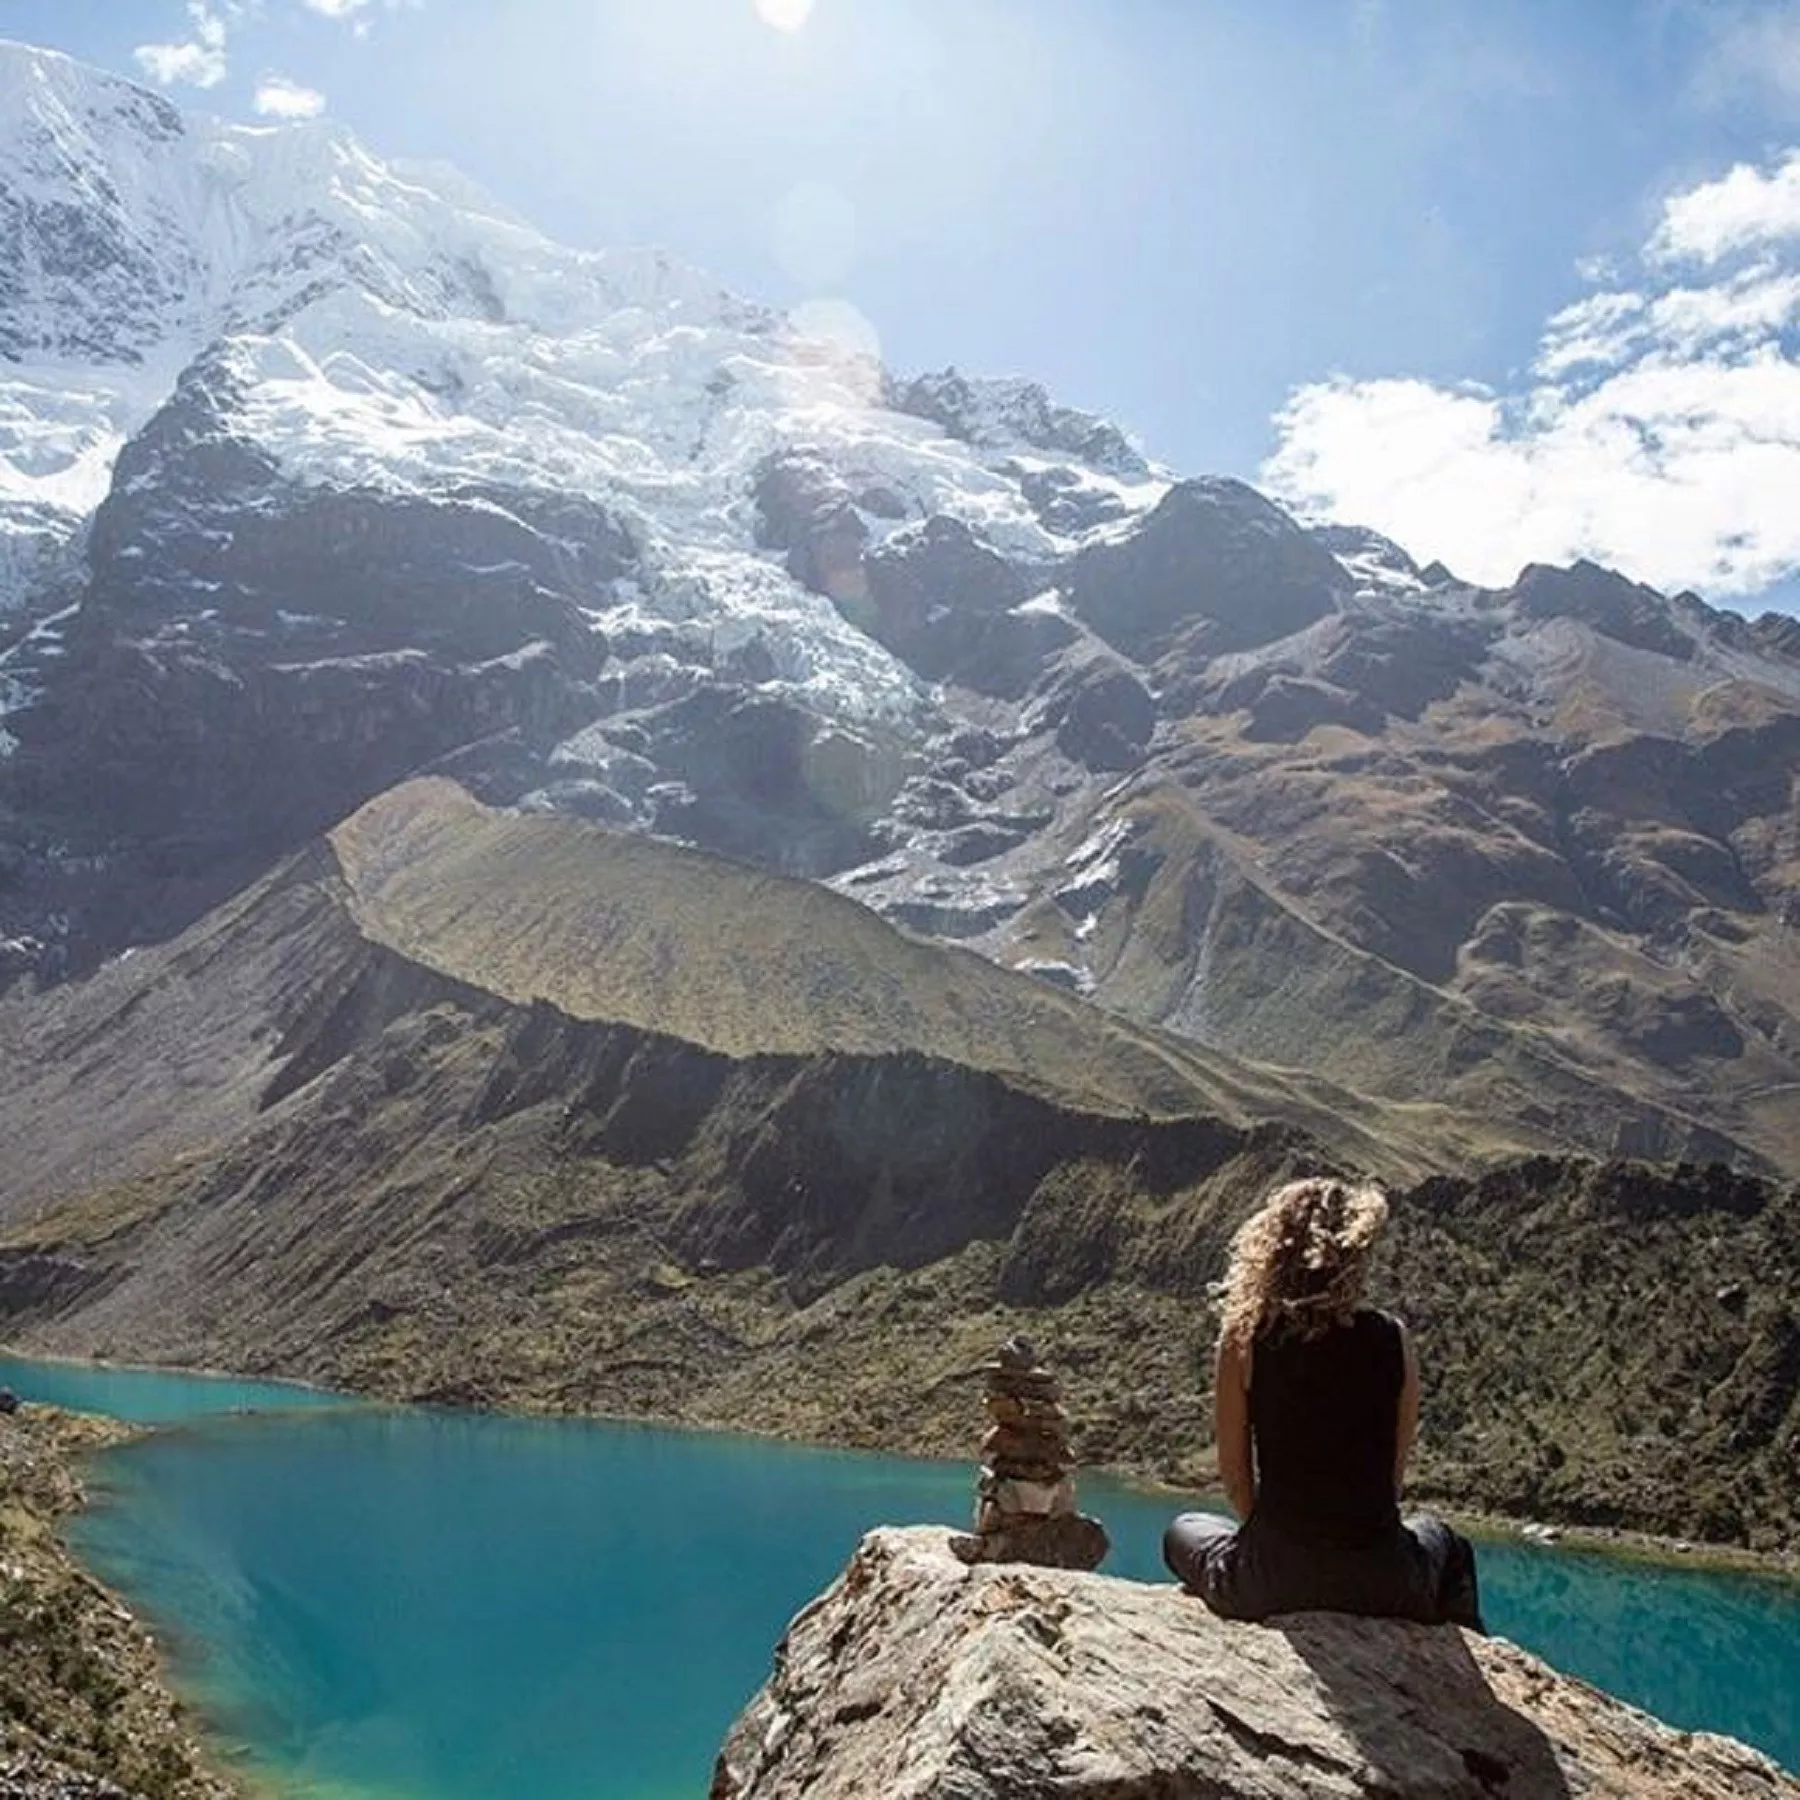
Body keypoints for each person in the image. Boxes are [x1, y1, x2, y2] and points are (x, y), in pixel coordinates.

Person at [1163, 1177, 1484, 1630]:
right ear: (1355, 1257)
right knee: (1448, 1542)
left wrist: (1280, 1547)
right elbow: (1391, 1481)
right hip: (1386, 1582)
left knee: (1184, 1529)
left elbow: (1236, 1479)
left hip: (1272, 1581)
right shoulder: (1395, 1339)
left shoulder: (1244, 1340)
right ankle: (1457, 1668)